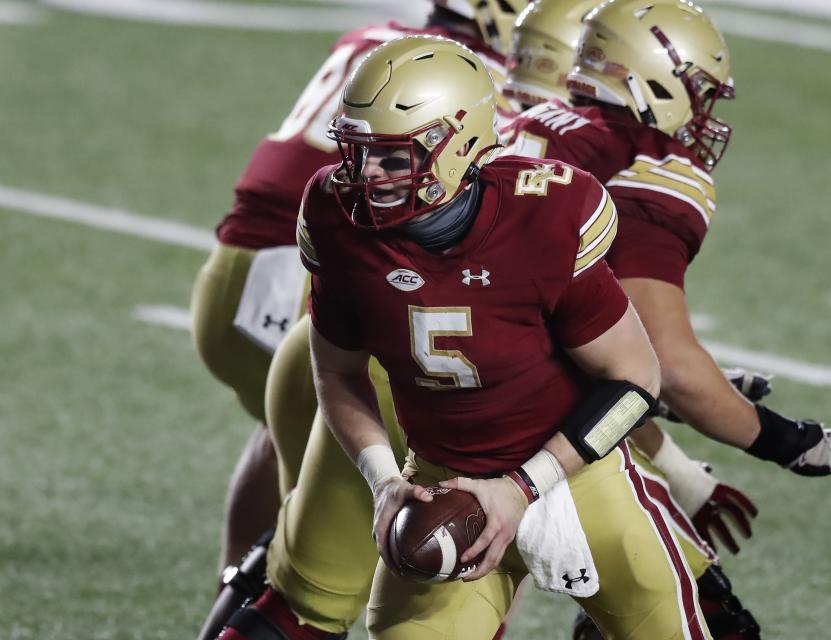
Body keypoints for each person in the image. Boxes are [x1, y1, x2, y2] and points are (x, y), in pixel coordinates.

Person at [224, 34, 714, 640]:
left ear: (456, 146)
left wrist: (521, 488)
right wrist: (383, 481)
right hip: (441, 485)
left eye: (391, 158)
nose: (364, 176)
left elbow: (636, 379)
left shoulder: (547, 213)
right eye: (355, 153)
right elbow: (338, 371)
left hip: (577, 485)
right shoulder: (331, 213)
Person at [500, 0, 831, 636]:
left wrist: (664, 399)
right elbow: (670, 366)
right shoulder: (648, 163)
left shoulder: (527, 122)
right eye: (697, 91)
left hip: (412, 386)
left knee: (315, 600)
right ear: (651, 80)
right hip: (516, 432)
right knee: (706, 622)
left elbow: (553, 327)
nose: (703, 111)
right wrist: (791, 441)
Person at [193, 3, 531, 638]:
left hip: (237, 267)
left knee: (285, 453)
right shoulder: (462, 89)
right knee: (434, 504)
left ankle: (243, 598)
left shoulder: (376, 46)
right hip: (316, 279)